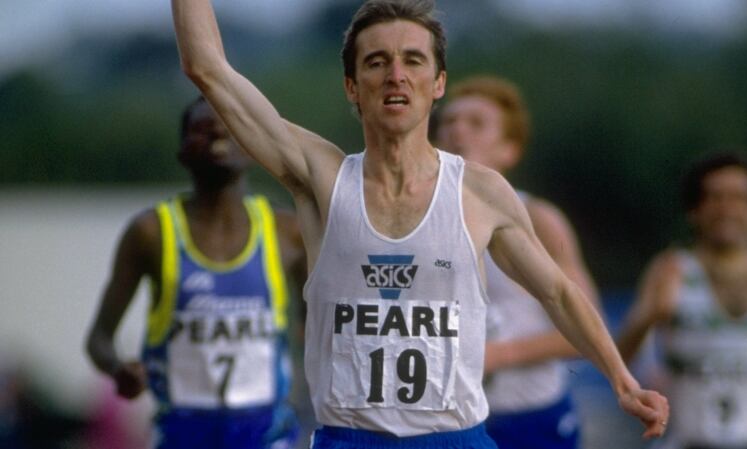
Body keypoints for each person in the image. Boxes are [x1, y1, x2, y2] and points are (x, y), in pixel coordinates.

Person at [169, 1, 669, 447]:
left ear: (438, 83)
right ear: (352, 87)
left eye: (413, 60)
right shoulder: (320, 178)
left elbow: (558, 293)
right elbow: (207, 68)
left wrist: (622, 381)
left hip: (455, 439)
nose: (396, 75)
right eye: (376, 62)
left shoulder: (480, 192)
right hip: (349, 438)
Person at [85, 96, 304, 449]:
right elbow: (98, 338)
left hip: (266, 434)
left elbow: (320, 329)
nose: (218, 133)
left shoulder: (287, 232)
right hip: (181, 434)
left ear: (252, 146)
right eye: (203, 130)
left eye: (230, 128)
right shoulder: (151, 233)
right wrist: (118, 370)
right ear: (183, 152)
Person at [435, 75, 599, 449]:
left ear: (509, 150)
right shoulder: (417, 222)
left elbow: (587, 329)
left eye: (476, 123)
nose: (458, 131)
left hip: (529, 418)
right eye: (448, 122)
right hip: (447, 421)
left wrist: (496, 355)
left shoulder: (538, 218)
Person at [617, 152, 747, 449]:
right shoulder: (670, 270)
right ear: (694, 211)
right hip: (691, 441)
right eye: (715, 197)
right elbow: (619, 360)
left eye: (740, 198)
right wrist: (650, 314)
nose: (727, 208)